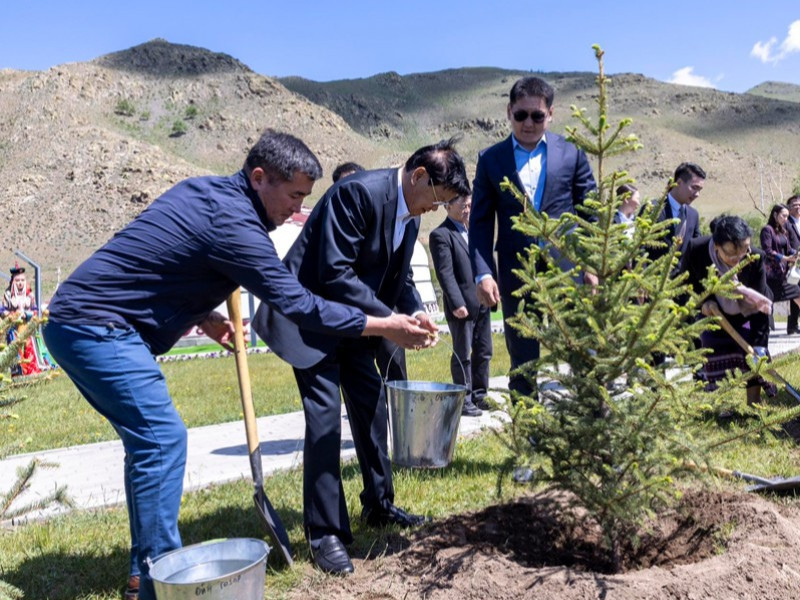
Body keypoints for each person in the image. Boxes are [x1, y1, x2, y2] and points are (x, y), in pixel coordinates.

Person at [42, 130, 432, 600]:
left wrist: (204, 316)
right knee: (163, 441)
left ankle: (141, 571)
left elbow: (161, 261)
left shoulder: (202, 192)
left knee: (148, 446)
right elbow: (298, 304)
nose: (296, 209)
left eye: (304, 198)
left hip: (81, 319)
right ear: (259, 177)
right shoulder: (237, 227)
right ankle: (156, 583)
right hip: (96, 326)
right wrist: (384, 324)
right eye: (293, 196)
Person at [253, 138, 471, 575]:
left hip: (353, 326)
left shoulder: (408, 221)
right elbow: (334, 273)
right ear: (419, 177)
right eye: (437, 198)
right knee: (325, 419)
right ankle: (325, 534)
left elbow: (398, 276)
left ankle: (379, 504)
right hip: (309, 322)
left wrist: (411, 311)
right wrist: (389, 319)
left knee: (372, 407)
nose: (435, 209)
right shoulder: (358, 194)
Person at [469, 76, 596, 399]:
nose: (529, 122)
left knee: (583, 352)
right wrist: (484, 273)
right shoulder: (490, 159)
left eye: (537, 115)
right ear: (509, 111)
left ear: (550, 114)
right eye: (521, 114)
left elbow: (590, 215)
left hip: (569, 273)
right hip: (516, 274)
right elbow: (481, 223)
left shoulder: (572, 154)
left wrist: (592, 265)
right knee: (523, 359)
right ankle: (527, 435)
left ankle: (590, 428)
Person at [679, 215, 774, 405]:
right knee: (714, 348)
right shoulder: (696, 250)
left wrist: (758, 347)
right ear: (716, 246)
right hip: (715, 315)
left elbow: (761, 308)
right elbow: (683, 284)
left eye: (744, 251)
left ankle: (753, 405)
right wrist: (701, 303)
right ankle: (724, 405)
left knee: (754, 357)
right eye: (732, 255)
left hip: (749, 313)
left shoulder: (754, 257)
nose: (739, 259)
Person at [332, 161, 407, 381]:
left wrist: (412, 312)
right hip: (351, 318)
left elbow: (403, 273)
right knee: (358, 380)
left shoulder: (390, 216)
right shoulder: (335, 227)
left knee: (395, 371)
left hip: (385, 310)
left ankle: (397, 413)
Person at [430, 194, 493, 417]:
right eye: (463, 205)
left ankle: (479, 394)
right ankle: (464, 400)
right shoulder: (441, 235)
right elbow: (445, 273)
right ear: (447, 206)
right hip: (462, 306)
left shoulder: (474, 230)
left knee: (484, 351)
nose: (467, 209)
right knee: (463, 354)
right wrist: (456, 302)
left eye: (469, 204)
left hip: (483, 302)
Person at [650, 162, 705, 261]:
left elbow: (696, 249)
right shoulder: (653, 208)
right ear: (679, 183)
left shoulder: (693, 215)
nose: (697, 194)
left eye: (700, 190)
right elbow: (640, 248)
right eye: (694, 188)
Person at [760, 203, 800, 334]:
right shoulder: (767, 230)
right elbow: (768, 251)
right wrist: (785, 258)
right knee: (766, 303)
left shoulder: (784, 231)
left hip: (784, 275)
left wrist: (795, 253)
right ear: (775, 215)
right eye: (783, 216)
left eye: (787, 217)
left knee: (798, 293)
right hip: (772, 275)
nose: (785, 219)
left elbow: (788, 249)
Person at [2, 264, 42, 377]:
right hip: (14, 328)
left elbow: (35, 310)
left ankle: (31, 372)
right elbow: (2, 310)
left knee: (29, 348)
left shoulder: (30, 296)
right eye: (17, 280)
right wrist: (11, 315)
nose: (20, 283)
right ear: (13, 281)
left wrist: (27, 314)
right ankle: (17, 372)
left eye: (22, 280)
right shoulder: (8, 295)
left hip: (27, 326)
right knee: (15, 349)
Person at [783, 194, 800, 333]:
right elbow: (786, 243)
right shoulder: (787, 224)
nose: (798, 207)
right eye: (795, 205)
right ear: (789, 208)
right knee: (795, 292)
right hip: (793, 263)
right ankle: (792, 325)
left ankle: (794, 325)